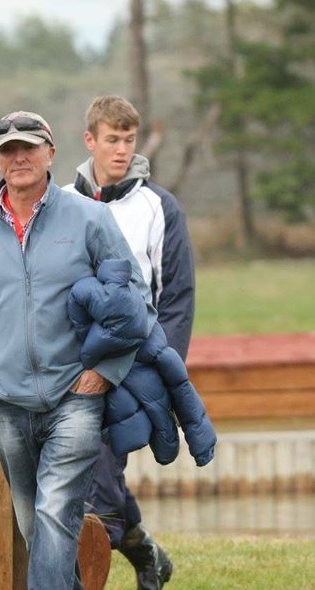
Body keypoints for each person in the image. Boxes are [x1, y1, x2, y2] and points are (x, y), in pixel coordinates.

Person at [0, 110, 156, 590]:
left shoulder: (89, 217)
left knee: (56, 511)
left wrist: (107, 369)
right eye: (8, 150)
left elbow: (134, 301)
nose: (19, 157)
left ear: (51, 154)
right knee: (33, 522)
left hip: (75, 395)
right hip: (2, 400)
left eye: (29, 147)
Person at [65, 95, 196, 590]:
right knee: (89, 470)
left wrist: (164, 371)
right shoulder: (61, 203)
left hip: (136, 370)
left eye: (129, 140)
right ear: (90, 141)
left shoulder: (160, 208)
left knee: (95, 480)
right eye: (112, 139)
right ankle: (144, 551)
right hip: (71, 369)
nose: (121, 150)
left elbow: (178, 298)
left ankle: (89, 570)